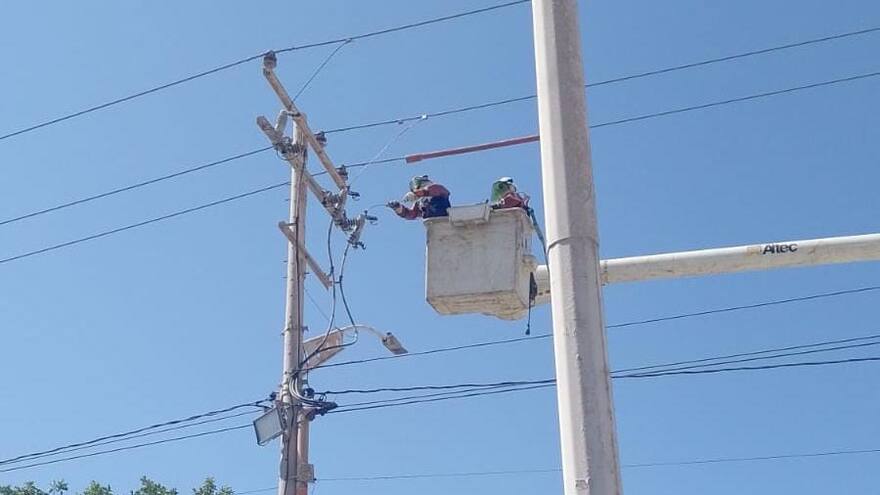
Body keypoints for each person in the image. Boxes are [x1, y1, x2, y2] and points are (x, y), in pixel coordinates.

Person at [387, 175, 451, 220]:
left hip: (445, 219)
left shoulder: (437, 189)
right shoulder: (419, 203)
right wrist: (398, 208)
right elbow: (411, 214)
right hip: (432, 224)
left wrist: (417, 194)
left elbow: (436, 190)